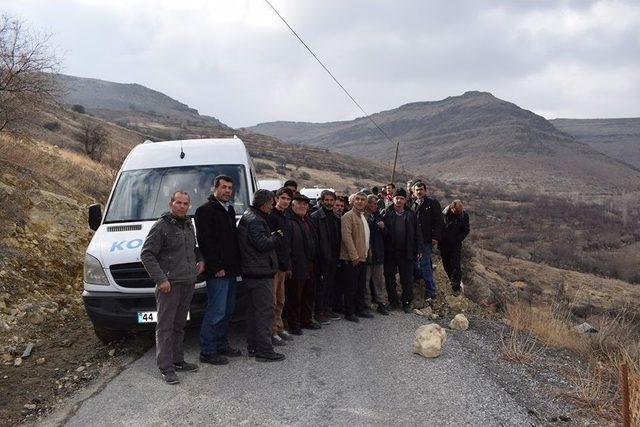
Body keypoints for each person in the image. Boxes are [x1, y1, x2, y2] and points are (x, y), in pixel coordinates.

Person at [141, 191, 204, 384]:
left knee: (179, 324)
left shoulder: (188, 224)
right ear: (171, 204)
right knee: (165, 327)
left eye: (186, 203)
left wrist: (200, 259)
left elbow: (193, 248)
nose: (182, 206)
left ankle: (178, 360)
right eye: (178, 202)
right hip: (169, 286)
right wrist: (161, 280)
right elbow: (147, 254)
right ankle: (165, 367)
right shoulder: (161, 226)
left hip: (187, 282)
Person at [195, 175, 242, 365]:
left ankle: (222, 345)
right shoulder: (204, 211)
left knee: (228, 310)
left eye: (230, 188)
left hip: (231, 270)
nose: (228, 191)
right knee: (216, 311)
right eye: (224, 187)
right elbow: (206, 242)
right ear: (215, 188)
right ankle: (207, 351)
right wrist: (217, 267)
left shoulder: (229, 210)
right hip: (218, 272)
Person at [237, 189, 286, 362]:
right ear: (265, 204)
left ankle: (254, 346)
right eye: (271, 203)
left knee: (253, 313)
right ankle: (264, 350)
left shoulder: (250, 215)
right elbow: (262, 244)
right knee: (265, 312)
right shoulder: (256, 220)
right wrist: (276, 236)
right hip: (259, 272)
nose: (272, 206)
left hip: (252, 271)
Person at [383, 188, 423, 313]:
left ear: (405, 200)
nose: (399, 200)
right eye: (397, 198)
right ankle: (393, 301)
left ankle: (406, 302)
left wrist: (419, 249)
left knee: (407, 279)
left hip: (407, 251)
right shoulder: (386, 213)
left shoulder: (411, 215)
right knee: (390, 278)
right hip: (390, 251)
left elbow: (417, 233)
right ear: (392, 199)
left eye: (401, 198)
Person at [283, 193, 318, 334]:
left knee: (308, 294)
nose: (302, 206)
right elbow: (286, 246)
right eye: (299, 203)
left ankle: (306, 320)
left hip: (310, 264)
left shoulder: (308, 220)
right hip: (296, 266)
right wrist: (288, 265)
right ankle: (294, 324)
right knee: (294, 297)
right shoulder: (288, 221)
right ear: (292, 205)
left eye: (305, 204)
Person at [310, 190, 342, 324]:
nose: (329, 203)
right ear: (322, 201)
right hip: (321, 259)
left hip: (333, 258)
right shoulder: (315, 217)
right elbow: (314, 241)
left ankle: (326, 309)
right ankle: (318, 312)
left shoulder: (335, 217)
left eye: (331, 200)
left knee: (330, 286)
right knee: (320, 288)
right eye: (326, 200)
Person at [339, 192, 372, 322]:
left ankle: (360, 309)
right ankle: (349, 312)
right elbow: (346, 237)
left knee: (360, 286)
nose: (359, 201)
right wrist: (354, 256)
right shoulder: (348, 216)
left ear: (365, 203)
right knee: (350, 287)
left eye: (362, 199)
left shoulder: (363, 217)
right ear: (353, 201)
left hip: (362, 257)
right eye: (357, 199)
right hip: (351, 258)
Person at [267, 187, 294, 346]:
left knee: (280, 299)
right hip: (274, 266)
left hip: (283, 264)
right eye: (282, 198)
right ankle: (271, 331)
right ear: (276, 198)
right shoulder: (271, 216)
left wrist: (288, 264)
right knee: (271, 300)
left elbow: (286, 244)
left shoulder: (286, 217)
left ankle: (278, 327)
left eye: (288, 199)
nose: (285, 201)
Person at [411, 181, 444, 306]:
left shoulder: (432, 203)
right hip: (414, 240)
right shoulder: (412, 204)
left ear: (425, 190)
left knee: (425, 264)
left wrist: (435, 236)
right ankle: (418, 280)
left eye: (421, 189)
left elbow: (439, 221)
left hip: (426, 239)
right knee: (415, 263)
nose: (419, 191)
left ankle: (431, 292)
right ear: (413, 192)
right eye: (417, 190)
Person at [364, 195, 389, 315]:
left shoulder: (379, 216)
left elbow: (386, 235)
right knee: (365, 281)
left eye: (375, 204)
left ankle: (381, 303)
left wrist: (383, 228)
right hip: (366, 254)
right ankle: (366, 304)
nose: (374, 206)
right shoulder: (362, 217)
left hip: (378, 253)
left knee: (378, 281)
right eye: (371, 203)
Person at [441, 200, 470, 297]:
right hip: (443, 243)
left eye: (460, 211)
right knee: (446, 264)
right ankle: (451, 280)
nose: (459, 213)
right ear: (451, 208)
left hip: (456, 244)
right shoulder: (444, 214)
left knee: (456, 265)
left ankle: (456, 287)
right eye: (457, 211)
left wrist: (458, 239)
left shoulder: (464, 215)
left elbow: (466, 230)